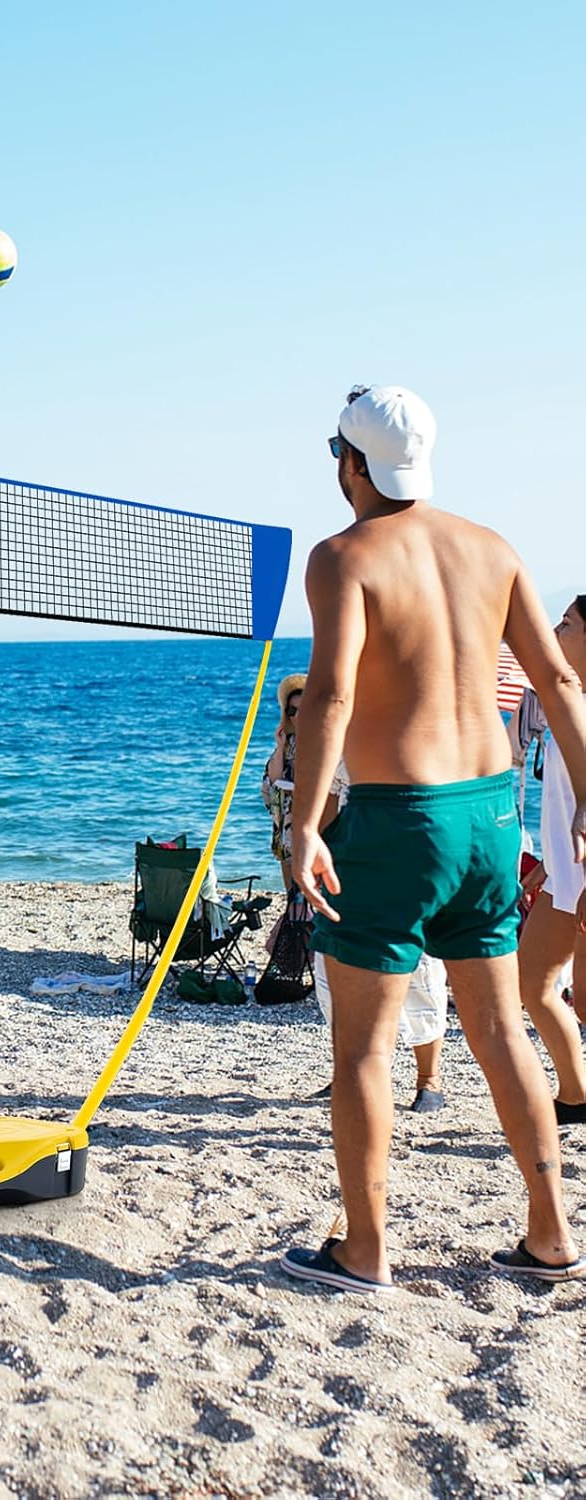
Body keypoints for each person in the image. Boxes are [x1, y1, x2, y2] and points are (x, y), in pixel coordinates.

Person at [282, 384, 586, 1292]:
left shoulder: (342, 557)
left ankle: (365, 1250)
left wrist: (303, 823)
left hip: (397, 817)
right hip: (490, 813)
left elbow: (332, 695)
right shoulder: (492, 548)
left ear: (351, 464)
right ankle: (551, 1233)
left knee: (365, 1050)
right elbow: (563, 686)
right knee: (498, 1027)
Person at [312, 760, 447, 1112]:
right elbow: (329, 796)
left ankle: (428, 1079)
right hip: (351, 863)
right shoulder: (343, 735)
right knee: (334, 972)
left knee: (421, 972)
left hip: (412, 857)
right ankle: (349, 1072)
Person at [515, 594, 586, 1126]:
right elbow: (567, 801)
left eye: (567, 623)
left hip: (583, 881)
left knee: (566, 994)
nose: (556, 630)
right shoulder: (570, 702)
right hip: (567, 875)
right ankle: (576, 1095)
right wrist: (546, 862)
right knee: (535, 984)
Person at [260, 673, 306, 894]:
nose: (297, 716)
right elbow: (272, 781)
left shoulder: (324, 741)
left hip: (311, 820)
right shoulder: (288, 743)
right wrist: (280, 746)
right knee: (292, 894)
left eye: (302, 709)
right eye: (292, 711)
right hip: (285, 822)